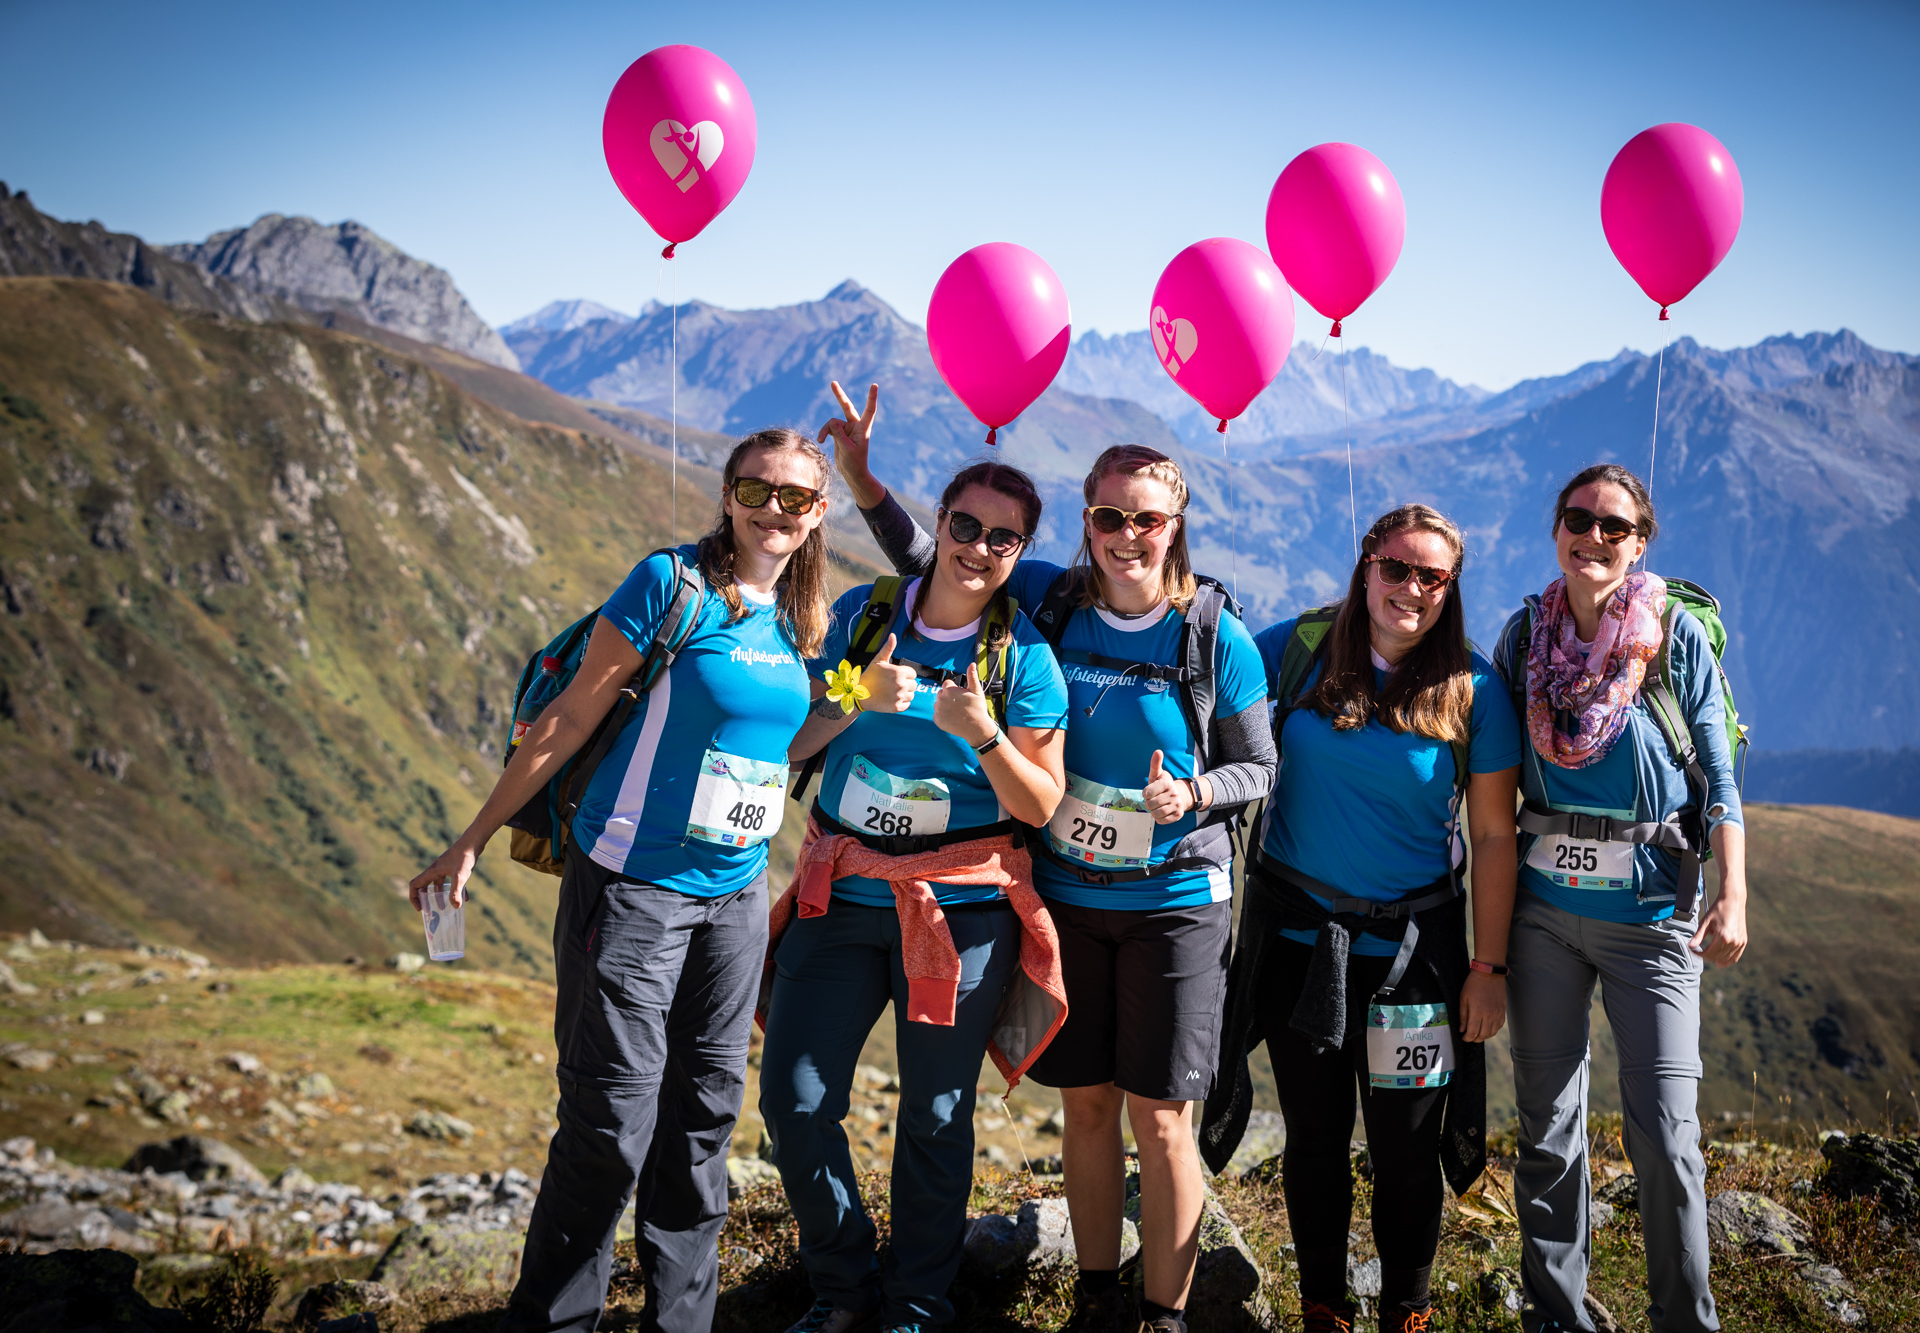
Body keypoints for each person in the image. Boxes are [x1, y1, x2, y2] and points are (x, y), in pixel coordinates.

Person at [831, 388, 1276, 1333]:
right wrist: (864, 483)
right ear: (1086, 519)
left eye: (1146, 519)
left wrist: (1195, 793)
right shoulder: (1050, 596)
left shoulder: (1213, 636)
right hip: (1066, 898)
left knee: (1162, 1117)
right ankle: (1095, 1298)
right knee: (1087, 1106)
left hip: (1175, 900)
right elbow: (939, 560)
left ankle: (1164, 1317)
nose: (1126, 536)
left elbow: (1260, 767)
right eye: (1109, 516)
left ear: (1175, 525)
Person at [407, 427, 834, 1333]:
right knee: (609, 1122)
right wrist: (472, 839)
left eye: (794, 497)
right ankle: (555, 1320)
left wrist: (847, 712)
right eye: (755, 489)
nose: (773, 509)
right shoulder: (671, 584)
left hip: (736, 895)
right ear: (728, 495)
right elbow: (570, 717)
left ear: (817, 512)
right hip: (635, 886)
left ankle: (680, 1324)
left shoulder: (804, 617)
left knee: (704, 1119)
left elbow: (772, 747)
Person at [760, 447, 1070, 1333]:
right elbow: (791, 745)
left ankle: (917, 1305)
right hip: (843, 891)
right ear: (938, 520)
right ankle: (842, 1285)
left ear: (1020, 551)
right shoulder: (863, 616)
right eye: (966, 525)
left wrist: (984, 735)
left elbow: (1040, 805)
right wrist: (854, 697)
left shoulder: (1023, 657)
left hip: (961, 912)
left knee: (936, 1114)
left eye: (1004, 538)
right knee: (794, 1099)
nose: (979, 547)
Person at [1201, 504, 1521, 1333]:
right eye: (1396, 568)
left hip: (1416, 958)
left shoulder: (1476, 688)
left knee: (1406, 1148)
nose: (1411, 588)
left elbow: (1493, 835)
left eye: (1432, 576)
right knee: (1314, 1138)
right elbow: (1203, 681)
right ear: (1366, 565)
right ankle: (1324, 1310)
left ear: (1451, 587)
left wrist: (1488, 967)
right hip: (1298, 947)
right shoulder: (1297, 648)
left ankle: (1407, 1313)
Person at [1494, 464, 1747, 1333]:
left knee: (1667, 1136)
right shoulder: (1523, 637)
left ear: (1641, 544)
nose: (1593, 537)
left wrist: (1734, 892)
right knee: (1547, 1129)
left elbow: (1719, 777)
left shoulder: (1674, 641)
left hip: (1653, 921)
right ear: (1555, 529)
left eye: (1615, 527)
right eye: (1578, 519)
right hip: (1541, 920)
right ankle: (1555, 1318)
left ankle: (1685, 1322)